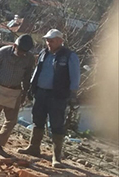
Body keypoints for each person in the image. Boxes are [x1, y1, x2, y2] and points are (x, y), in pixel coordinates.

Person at [19, 29, 80, 168]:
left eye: (51, 40)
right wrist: (31, 88)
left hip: (57, 96)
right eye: (47, 40)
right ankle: (34, 147)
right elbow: (37, 71)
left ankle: (56, 157)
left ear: (60, 41)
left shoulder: (69, 56)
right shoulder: (43, 53)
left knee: (56, 125)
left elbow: (75, 77)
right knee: (37, 120)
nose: (49, 43)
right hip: (41, 93)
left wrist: (73, 95)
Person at [0, 35, 36, 156]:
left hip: (14, 91)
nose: (22, 54)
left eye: (25, 52)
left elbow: (27, 76)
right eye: (21, 51)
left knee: (12, 120)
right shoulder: (2, 53)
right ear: (15, 46)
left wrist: (25, 92)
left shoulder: (29, 58)